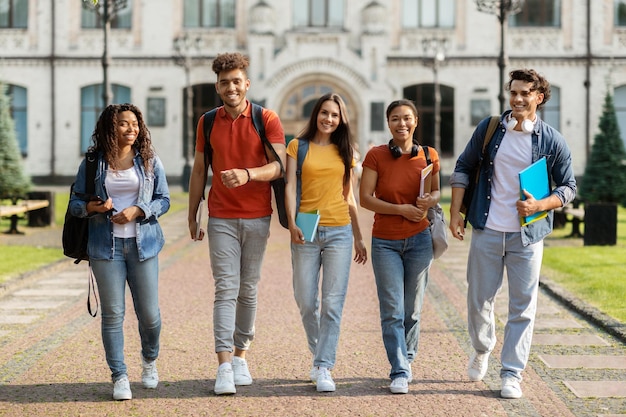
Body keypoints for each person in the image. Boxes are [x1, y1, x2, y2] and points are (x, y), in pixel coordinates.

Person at [448, 68, 577, 399]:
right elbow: (462, 167)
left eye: (525, 93)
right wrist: (455, 214)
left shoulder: (551, 140)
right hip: (488, 229)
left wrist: (540, 205)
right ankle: (482, 348)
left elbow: (569, 187)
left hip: (528, 236)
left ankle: (511, 373)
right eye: (513, 92)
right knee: (478, 300)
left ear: (539, 97)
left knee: (523, 307)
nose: (517, 99)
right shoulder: (491, 129)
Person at [187, 52, 286, 395]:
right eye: (224, 82)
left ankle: (242, 355)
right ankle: (224, 365)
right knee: (226, 287)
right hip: (221, 218)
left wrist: (247, 174)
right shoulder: (208, 121)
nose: (231, 87)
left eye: (236, 81)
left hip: (258, 216)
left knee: (249, 288)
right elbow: (200, 168)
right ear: (218, 86)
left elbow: (279, 167)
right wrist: (192, 212)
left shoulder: (266, 118)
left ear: (247, 83)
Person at [69, 103, 170, 401]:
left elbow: (164, 200)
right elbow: (75, 204)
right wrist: (92, 207)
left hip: (144, 246)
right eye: (124, 124)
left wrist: (139, 209)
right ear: (110, 128)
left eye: (135, 123)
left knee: (150, 316)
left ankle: (149, 359)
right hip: (105, 247)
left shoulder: (149, 161)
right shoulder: (92, 163)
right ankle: (120, 376)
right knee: (113, 315)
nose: (131, 129)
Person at [284, 93, 367, 393]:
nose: (329, 119)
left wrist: (359, 236)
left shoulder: (347, 151)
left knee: (333, 303)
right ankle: (319, 351)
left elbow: (350, 197)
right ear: (315, 114)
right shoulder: (298, 146)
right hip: (305, 227)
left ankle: (323, 365)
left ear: (341, 119)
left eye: (334, 114)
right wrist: (293, 223)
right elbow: (290, 187)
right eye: (324, 113)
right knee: (306, 300)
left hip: (339, 231)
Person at [359, 99, 441, 394]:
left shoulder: (430, 155)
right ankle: (400, 369)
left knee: (413, 310)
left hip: (420, 241)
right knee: (392, 310)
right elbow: (365, 199)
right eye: (395, 118)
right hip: (385, 242)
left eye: (407, 118)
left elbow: (435, 191)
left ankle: (406, 359)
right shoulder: (376, 155)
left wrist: (430, 200)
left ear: (416, 121)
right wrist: (402, 210)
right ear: (388, 123)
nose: (401, 124)